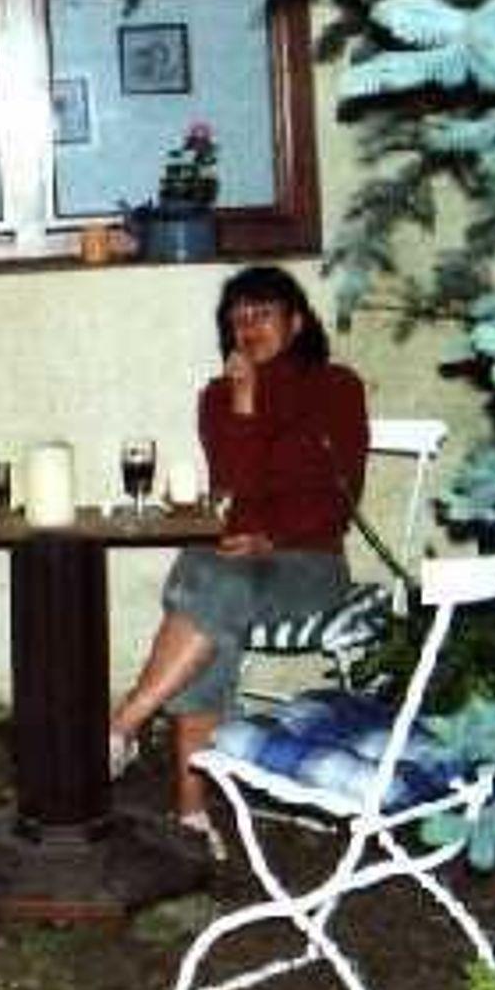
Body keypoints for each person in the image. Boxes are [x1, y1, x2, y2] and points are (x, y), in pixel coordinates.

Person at [106, 265, 368, 855]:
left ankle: (126, 725)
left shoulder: (337, 387)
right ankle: (190, 814)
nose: (248, 327)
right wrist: (245, 401)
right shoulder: (218, 397)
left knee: (209, 588)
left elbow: (340, 497)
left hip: (312, 564)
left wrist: (272, 538)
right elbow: (237, 491)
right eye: (238, 318)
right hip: (235, 568)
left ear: (296, 322)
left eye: (263, 313)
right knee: (215, 597)